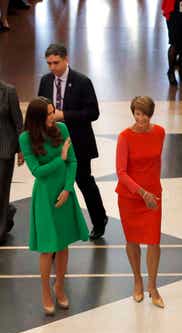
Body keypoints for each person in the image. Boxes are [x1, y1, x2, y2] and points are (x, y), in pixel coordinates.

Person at [19, 97, 89, 315]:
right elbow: (37, 172)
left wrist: (68, 189)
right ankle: (45, 293)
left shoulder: (62, 128)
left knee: (63, 243)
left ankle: (59, 286)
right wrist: (60, 158)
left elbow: (73, 161)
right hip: (45, 196)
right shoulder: (25, 138)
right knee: (47, 248)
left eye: (53, 111)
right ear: (37, 118)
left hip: (64, 193)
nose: (53, 116)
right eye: (48, 114)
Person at [37, 43, 108, 241]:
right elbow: (39, 107)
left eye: (56, 62)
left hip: (79, 142)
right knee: (54, 184)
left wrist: (64, 115)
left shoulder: (82, 82)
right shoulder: (45, 81)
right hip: (53, 144)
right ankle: (55, 227)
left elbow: (93, 113)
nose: (52, 67)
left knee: (84, 181)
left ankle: (99, 220)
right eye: (49, 63)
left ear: (66, 59)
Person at [115, 96, 166, 309]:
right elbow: (121, 172)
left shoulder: (160, 132)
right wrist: (141, 192)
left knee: (154, 241)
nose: (141, 118)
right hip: (130, 197)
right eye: (137, 113)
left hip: (153, 196)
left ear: (150, 114)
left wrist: (150, 191)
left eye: (144, 114)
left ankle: (153, 287)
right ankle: (137, 279)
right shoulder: (125, 137)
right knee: (132, 240)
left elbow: (155, 163)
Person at [0, 80, 23, 243]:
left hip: (5, 149)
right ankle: (8, 211)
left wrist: (22, 149)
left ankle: (0, 231)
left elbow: (18, 122)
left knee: (1, 191)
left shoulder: (9, 91)